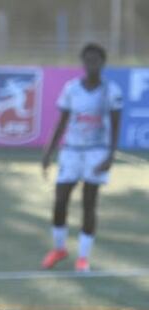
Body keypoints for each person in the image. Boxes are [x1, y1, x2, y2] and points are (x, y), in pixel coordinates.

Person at [40, 43, 123, 273]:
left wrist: (110, 156)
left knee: (89, 203)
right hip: (71, 151)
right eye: (87, 59)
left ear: (102, 63)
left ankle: (83, 258)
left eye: (95, 59)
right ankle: (59, 248)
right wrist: (48, 152)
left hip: (97, 152)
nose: (91, 64)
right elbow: (61, 122)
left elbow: (116, 127)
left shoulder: (111, 91)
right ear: (83, 62)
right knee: (60, 200)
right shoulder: (71, 89)